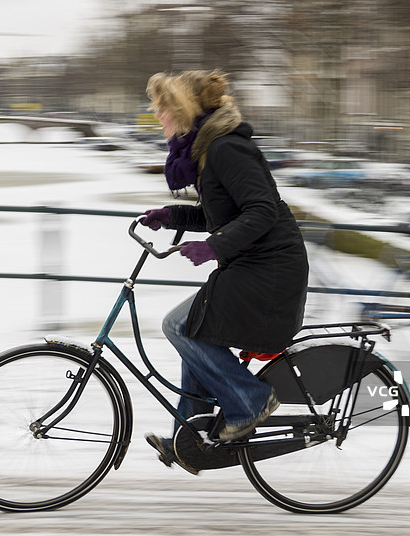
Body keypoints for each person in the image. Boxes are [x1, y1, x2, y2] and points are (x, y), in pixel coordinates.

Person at [141, 70, 309, 473]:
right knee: (197, 327)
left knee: (179, 326)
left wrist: (214, 245)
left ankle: (249, 400)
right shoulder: (207, 152)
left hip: (270, 268)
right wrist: (172, 215)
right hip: (253, 263)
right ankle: (193, 434)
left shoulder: (225, 150)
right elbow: (221, 212)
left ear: (185, 111)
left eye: (163, 109)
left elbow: (262, 211)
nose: (157, 117)